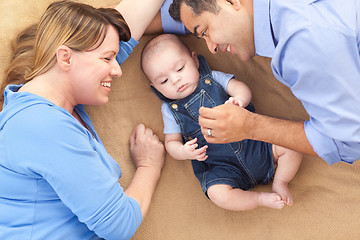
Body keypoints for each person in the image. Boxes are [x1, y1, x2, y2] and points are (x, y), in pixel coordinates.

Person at [0, 0, 167, 239]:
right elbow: (118, 224)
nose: (117, 69)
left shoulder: (47, 107)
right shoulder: (42, 125)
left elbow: (103, 42)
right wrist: (149, 167)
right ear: (65, 58)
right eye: (107, 59)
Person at [156, 0, 360, 166]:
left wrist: (250, 126)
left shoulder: (302, 40)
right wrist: (124, 33)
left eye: (206, 32)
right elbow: (180, 15)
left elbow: (349, 142)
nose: (211, 48)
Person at [141, 34, 302, 211]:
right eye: (164, 81)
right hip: (224, 168)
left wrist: (240, 99)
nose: (175, 80)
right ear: (155, 87)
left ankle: (280, 181)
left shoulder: (213, 79)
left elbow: (241, 89)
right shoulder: (170, 110)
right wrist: (183, 151)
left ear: (194, 60)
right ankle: (260, 199)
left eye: (180, 68)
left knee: (292, 144)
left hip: (256, 145)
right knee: (217, 193)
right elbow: (171, 143)